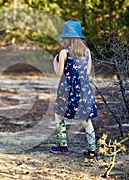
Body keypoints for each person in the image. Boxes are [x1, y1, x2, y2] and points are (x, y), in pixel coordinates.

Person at [50, 20, 98, 159]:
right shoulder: (87, 52)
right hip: (84, 89)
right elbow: (87, 72)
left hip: (67, 89)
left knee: (59, 116)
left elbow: (59, 73)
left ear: (67, 37)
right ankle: (92, 151)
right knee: (86, 120)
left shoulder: (64, 52)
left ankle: (63, 146)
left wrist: (55, 62)